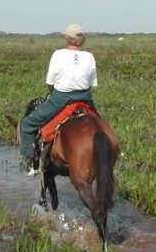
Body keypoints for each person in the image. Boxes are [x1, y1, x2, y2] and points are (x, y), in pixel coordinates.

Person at [19, 23, 98, 175]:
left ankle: (30, 163)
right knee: (100, 125)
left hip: (61, 98)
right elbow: (91, 83)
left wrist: (54, 92)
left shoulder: (58, 54)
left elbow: (50, 83)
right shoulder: (89, 56)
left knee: (27, 124)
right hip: (86, 98)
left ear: (67, 38)